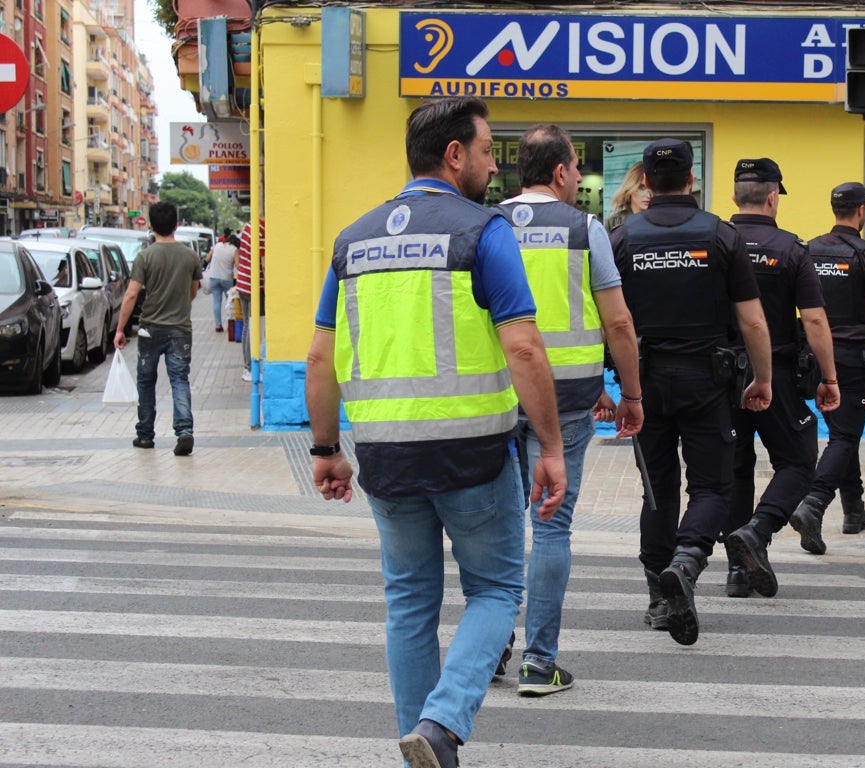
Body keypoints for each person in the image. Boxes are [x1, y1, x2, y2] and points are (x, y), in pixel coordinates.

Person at [304, 97, 567, 768]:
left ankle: (417, 751)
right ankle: (444, 725)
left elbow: (319, 356)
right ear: (455, 155)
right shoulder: (483, 231)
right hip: (473, 457)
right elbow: (526, 349)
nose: (491, 166)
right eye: (485, 152)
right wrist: (553, 447)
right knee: (498, 590)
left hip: (386, 460)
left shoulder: (351, 242)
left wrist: (327, 449)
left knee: (410, 602)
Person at [494, 124, 645, 694]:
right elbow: (618, 323)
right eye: (577, 168)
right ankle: (539, 662)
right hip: (568, 405)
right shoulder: (584, 229)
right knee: (551, 527)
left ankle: (490, 648)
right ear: (559, 173)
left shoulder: (488, 225)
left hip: (501, 396)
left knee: (502, 527)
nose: (580, 178)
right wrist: (628, 393)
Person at [610, 138, 773, 645]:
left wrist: (609, 384)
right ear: (690, 178)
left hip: (643, 382)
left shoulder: (621, 238)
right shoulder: (721, 236)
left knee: (656, 490)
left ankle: (661, 600)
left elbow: (608, 321)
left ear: (646, 183)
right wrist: (762, 379)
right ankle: (687, 561)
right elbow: (752, 319)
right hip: (707, 380)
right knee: (712, 488)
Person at [719, 158, 840, 599]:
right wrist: (830, 377)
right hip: (779, 376)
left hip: (724, 375)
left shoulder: (716, 241)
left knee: (735, 468)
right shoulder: (790, 248)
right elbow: (814, 320)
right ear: (773, 197)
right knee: (800, 460)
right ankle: (760, 530)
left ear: (735, 197)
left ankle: (736, 571)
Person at [791, 182, 865, 550]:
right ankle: (814, 504)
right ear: (861, 211)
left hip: (811, 358)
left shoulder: (807, 251)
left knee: (844, 433)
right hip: (850, 358)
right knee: (845, 437)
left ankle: (854, 509)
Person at [113, 201, 202, 456]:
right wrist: (180, 306)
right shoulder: (190, 256)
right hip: (180, 330)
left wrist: (120, 329)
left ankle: (145, 435)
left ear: (150, 226)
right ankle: (184, 432)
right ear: (177, 225)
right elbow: (193, 291)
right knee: (179, 379)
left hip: (150, 329)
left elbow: (131, 295)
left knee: (146, 381)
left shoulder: (145, 256)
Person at [236, 218, 264, 382]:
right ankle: (251, 367)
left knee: (247, 325)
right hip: (255, 287)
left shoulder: (248, 227)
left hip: (243, 284)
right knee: (254, 327)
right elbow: (263, 264)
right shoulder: (260, 231)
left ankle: (247, 367)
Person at [203, 233, 238, 332]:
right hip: (227, 278)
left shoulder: (217, 245)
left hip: (214, 277)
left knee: (216, 302)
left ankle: (218, 325)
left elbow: (207, 259)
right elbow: (238, 265)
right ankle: (231, 325)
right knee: (229, 302)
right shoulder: (234, 249)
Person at [604, 161, 652, 231]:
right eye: (641, 187)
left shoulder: (661, 219)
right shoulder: (613, 222)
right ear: (630, 187)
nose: (648, 195)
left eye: (652, 188)